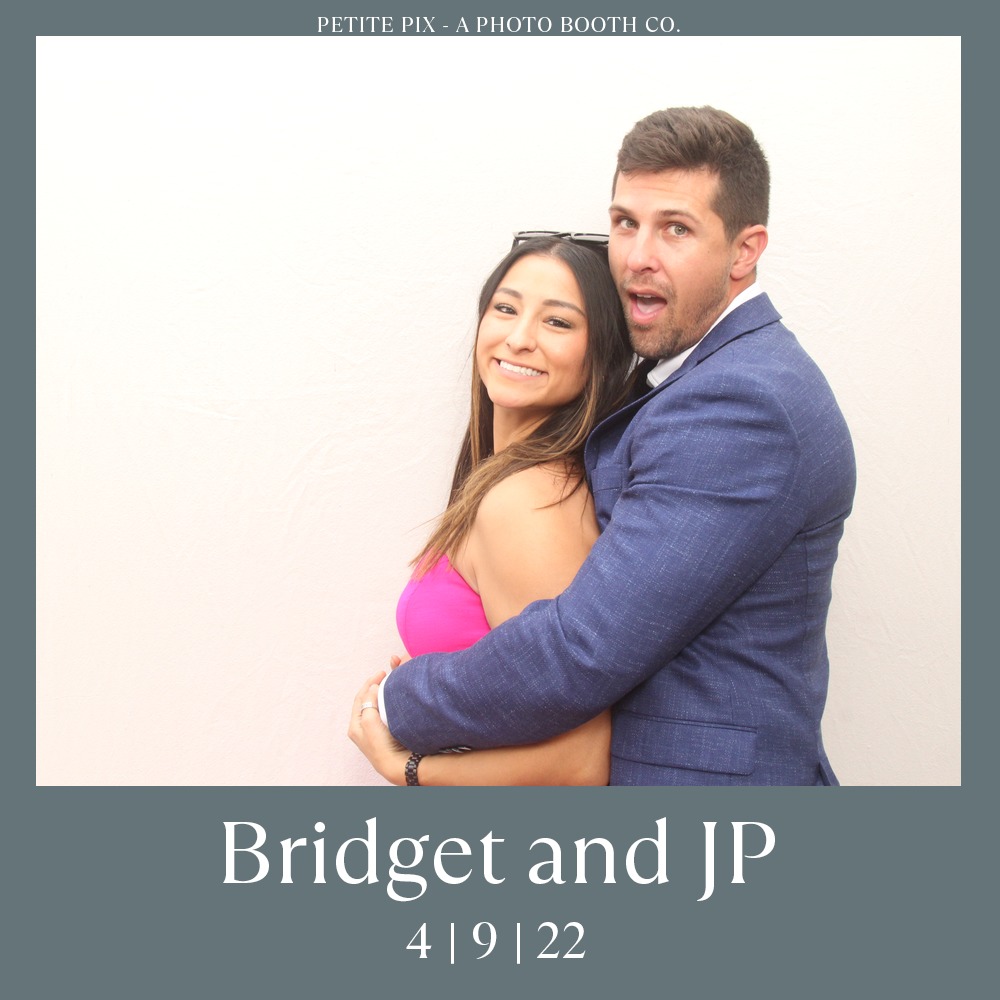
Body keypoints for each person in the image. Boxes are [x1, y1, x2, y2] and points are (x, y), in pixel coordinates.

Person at [365, 106, 857, 787]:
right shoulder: (699, 382)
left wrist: (397, 703)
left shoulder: (742, 402)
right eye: (626, 222)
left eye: (676, 228)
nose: (638, 257)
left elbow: (582, 648)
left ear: (745, 250)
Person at [349, 235, 635, 784]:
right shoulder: (505, 486)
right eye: (505, 309)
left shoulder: (528, 500)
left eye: (558, 322)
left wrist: (408, 767)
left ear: (601, 355)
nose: (519, 338)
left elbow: (580, 763)